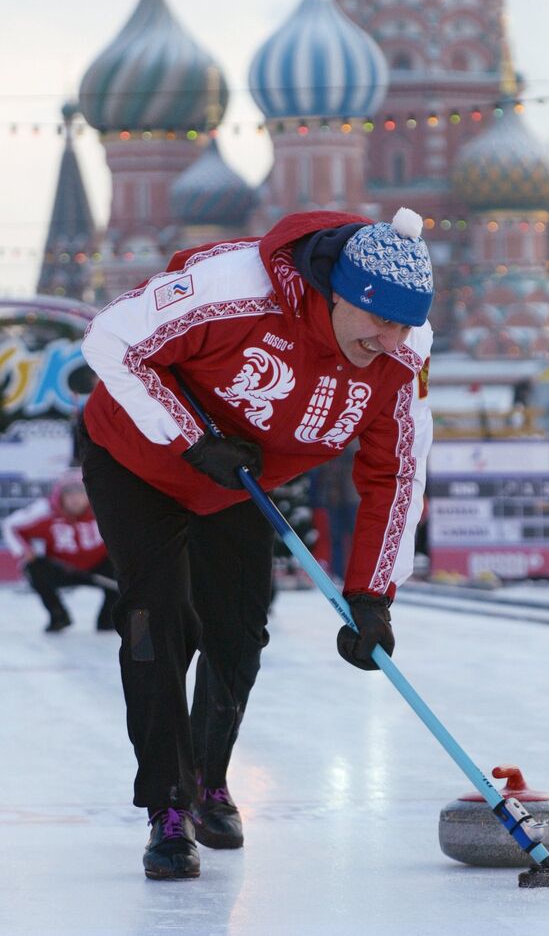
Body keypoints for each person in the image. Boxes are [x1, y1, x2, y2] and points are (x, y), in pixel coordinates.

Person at [78, 207, 433, 880]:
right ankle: (168, 807)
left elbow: (396, 471)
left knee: (238, 631)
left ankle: (210, 780)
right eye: (378, 320)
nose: (392, 340)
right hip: (138, 459)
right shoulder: (233, 290)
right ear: (335, 293)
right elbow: (111, 341)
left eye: (405, 324)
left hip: (237, 483)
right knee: (158, 622)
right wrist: (192, 436)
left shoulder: (402, 353)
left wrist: (371, 595)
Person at [2, 468, 115, 632]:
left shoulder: (106, 510)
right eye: (69, 493)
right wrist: (24, 551)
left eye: (81, 492)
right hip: (63, 569)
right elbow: (11, 525)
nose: (75, 498)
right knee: (32, 568)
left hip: (99, 568)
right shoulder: (44, 510)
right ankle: (58, 616)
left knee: (123, 570)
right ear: (60, 496)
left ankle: (108, 620)